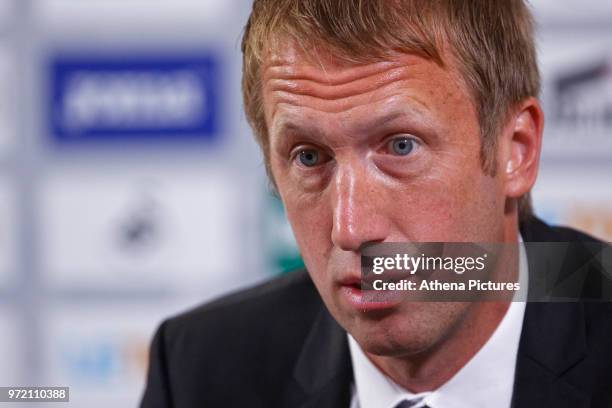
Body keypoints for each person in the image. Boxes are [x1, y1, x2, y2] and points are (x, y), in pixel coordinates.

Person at [140, 1, 612, 407]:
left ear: (516, 151)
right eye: (309, 156)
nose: (350, 228)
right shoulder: (198, 371)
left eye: (401, 146)